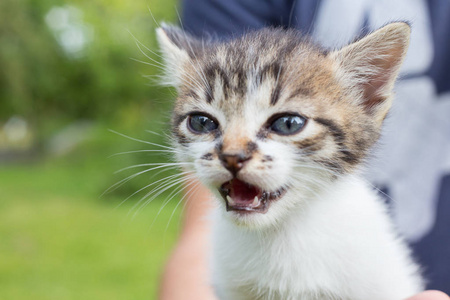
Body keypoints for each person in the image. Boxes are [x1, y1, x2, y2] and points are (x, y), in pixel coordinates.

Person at [160, 0, 450, 298]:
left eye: (286, 122)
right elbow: (193, 244)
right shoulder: (226, 248)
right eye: (203, 122)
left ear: (366, 98)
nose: (232, 152)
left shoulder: (361, 243)